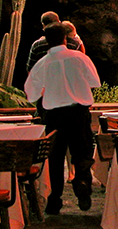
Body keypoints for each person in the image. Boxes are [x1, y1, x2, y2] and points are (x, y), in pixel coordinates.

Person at [24, 21, 100, 215]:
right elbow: (94, 81)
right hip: (79, 112)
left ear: (47, 41)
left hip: (54, 115)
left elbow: (31, 94)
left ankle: (54, 200)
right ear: (65, 38)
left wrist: (46, 89)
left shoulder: (43, 64)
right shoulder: (79, 58)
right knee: (82, 153)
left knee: (55, 158)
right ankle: (82, 183)